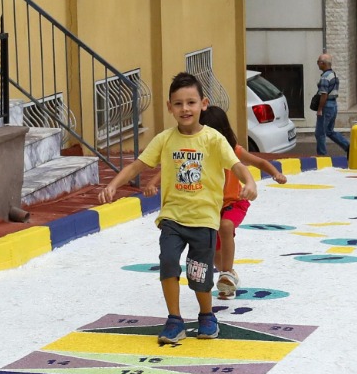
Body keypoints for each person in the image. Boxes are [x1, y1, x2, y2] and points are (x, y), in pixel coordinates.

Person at [99, 72, 257, 344]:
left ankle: (207, 315)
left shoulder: (214, 140)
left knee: (199, 272)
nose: (185, 109)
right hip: (172, 218)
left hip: (204, 220)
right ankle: (174, 319)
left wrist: (250, 181)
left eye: (191, 102)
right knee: (169, 263)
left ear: (203, 104)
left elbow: (237, 165)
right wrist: (113, 185)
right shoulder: (165, 139)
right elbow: (138, 165)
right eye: (179, 103)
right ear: (170, 107)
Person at [200, 103, 285, 299]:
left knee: (226, 225)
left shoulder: (234, 150)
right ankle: (228, 280)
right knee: (215, 253)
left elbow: (260, 162)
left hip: (234, 202)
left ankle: (227, 273)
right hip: (211, 206)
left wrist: (275, 173)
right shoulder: (200, 153)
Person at [313, 53, 351, 157]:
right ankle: (348, 147)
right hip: (333, 105)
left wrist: (320, 109)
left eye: (318, 62)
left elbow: (324, 94)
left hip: (326, 106)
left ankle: (322, 155)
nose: (317, 64)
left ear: (323, 63)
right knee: (329, 131)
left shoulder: (325, 77)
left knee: (320, 133)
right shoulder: (334, 74)